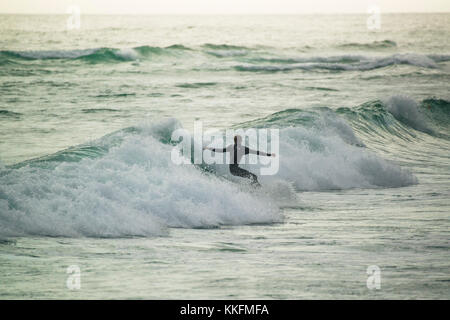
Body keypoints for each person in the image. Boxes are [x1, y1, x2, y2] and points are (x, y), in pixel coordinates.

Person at [203, 135, 275, 186]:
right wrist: (269, 155)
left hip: (232, 170)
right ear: (240, 140)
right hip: (235, 169)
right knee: (254, 177)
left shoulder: (231, 147)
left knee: (252, 177)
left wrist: (208, 148)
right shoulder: (243, 148)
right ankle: (255, 189)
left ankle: (253, 188)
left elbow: (219, 150)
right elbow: (257, 152)